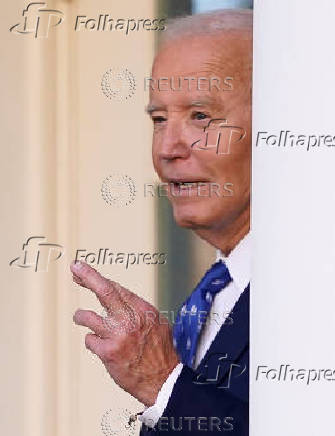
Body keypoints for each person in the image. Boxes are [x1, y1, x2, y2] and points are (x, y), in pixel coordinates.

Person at [71, 9, 252, 435]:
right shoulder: (210, 294)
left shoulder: (317, 286)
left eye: (201, 117)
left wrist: (160, 381)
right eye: (158, 120)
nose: (168, 149)